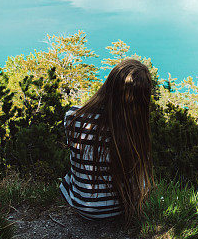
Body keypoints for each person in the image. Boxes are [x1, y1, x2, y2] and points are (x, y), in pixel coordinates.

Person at [59, 58, 154, 221]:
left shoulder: (73, 117)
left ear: (109, 86)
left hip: (80, 204)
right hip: (119, 210)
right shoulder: (135, 129)